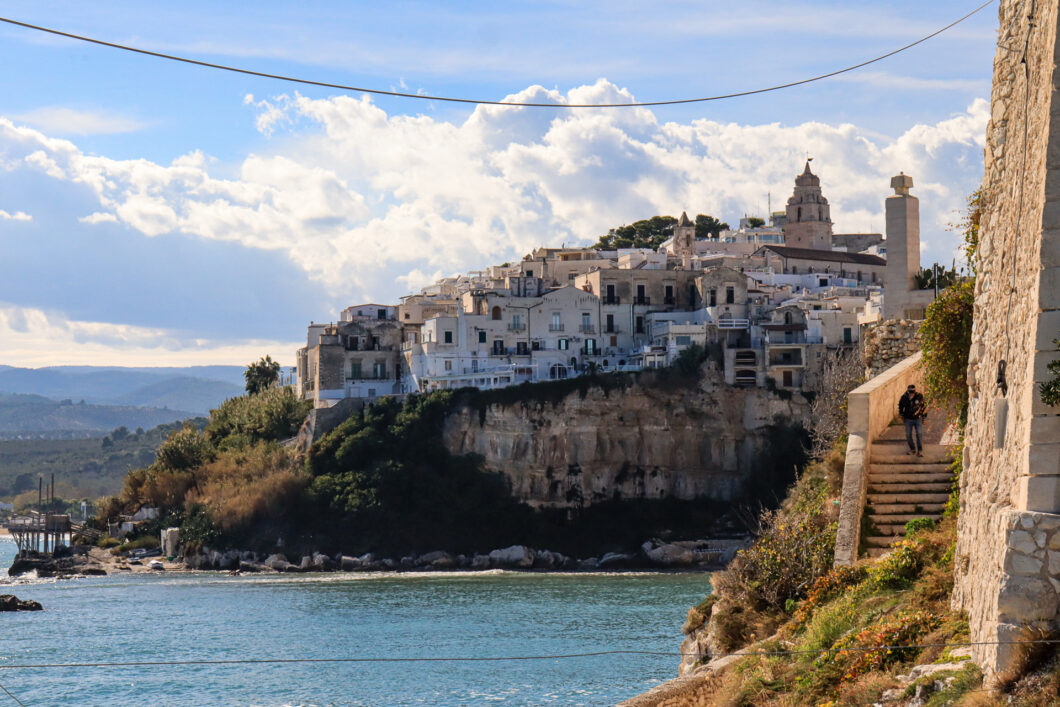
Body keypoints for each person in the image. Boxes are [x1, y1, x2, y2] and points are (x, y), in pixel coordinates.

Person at [898, 384, 927, 456]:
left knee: (919, 434)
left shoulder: (919, 396)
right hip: (908, 419)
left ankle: (920, 451)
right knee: (908, 435)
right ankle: (912, 449)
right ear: (908, 392)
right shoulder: (904, 397)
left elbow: (923, 407)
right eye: (910, 392)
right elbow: (900, 406)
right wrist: (901, 415)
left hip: (918, 418)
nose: (911, 394)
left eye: (912, 392)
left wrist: (923, 417)